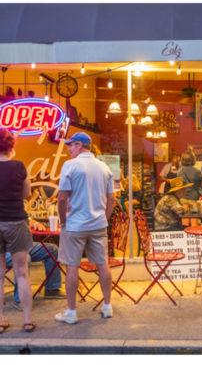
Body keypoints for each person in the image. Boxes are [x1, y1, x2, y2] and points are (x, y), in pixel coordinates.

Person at [0, 128, 36, 334]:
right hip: (15, 222)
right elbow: (27, 194)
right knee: (22, 272)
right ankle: (27, 321)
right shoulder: (18, 166)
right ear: (12, 146)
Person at [54, 132, 116, 324]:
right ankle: (107, 306)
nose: (68, 149)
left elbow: (62, 198)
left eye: (70, 145)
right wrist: (104, 218)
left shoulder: (70, 166)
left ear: (79, 145)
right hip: (98, 224)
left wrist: (63, 221)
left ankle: (71, 312)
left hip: (75, 225)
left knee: (72, 266)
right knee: (103, 264)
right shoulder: (105, 167)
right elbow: (112, 199)